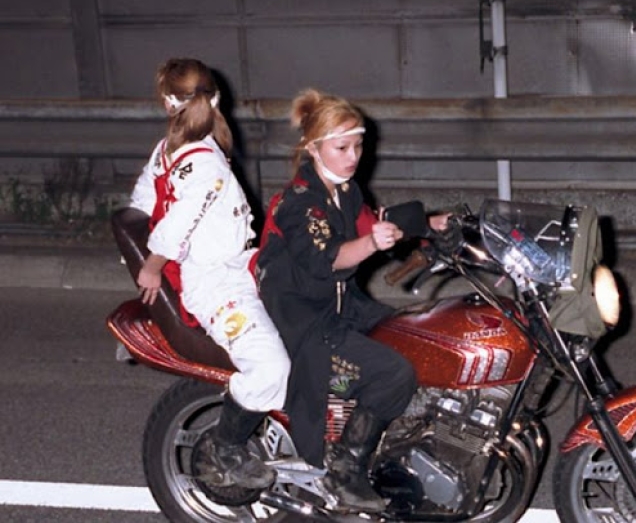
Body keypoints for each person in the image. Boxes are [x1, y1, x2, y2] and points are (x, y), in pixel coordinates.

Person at [256, 89, 447, 512]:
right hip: (305, 319)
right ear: (314, 148)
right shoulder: (299, 203)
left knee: (413, 334)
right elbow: (329, 258)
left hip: (341, 305)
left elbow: (374, 225)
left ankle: (392, 434)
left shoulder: (346, 190)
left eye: (358, 145)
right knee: (393, 373)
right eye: (342, 147)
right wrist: (371, 244)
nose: (353, 155)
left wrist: (432, 225)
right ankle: (345, 465)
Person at [129, 58, 290, 490]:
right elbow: (175, 221)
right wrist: (152, 265)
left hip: (235, 268)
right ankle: (227, 447)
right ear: (216, 98)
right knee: (270, 366)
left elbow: (140, 205)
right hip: (218, 284)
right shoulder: (204, 163)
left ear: (167, 102)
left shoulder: (170, 151)